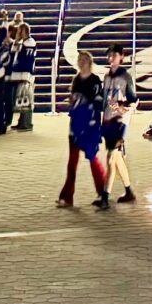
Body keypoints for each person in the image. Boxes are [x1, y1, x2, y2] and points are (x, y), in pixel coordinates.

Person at [57, 51, 111, 210]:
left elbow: (99, 103)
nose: (81, 62)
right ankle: (67, 196)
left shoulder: (94, 81)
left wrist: (88, 112)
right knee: (72, 161)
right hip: (76, 124)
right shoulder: (76, 80)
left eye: (84, 59)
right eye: (79, 59)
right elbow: (73, 99)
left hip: (89, 124)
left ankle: (102, 192)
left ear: (89, 61)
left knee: (92, 158)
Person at [100, 43, 138, 203]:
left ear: (121, 57)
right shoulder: (107, 76)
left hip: (121, 122)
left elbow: (134, 100)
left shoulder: (125, 77)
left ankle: (105, 197)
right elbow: (104, 101)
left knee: (111, 157)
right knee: (116, 158)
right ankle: (129, 191)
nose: (111, 58)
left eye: (114, 55)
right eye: (109, 55)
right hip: (109, 121)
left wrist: (122, 107)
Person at [5, 17, 37, 132]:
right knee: (21, 98)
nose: (17, 33)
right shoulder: (23, 42)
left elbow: (23, 58)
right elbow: (13, 52)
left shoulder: (30, 42)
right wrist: (16, 41)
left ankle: (27, 123)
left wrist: (17, 42)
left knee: (26, 98)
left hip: (26, 74)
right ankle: (21, 122)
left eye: (19, 31)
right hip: (20, 74)